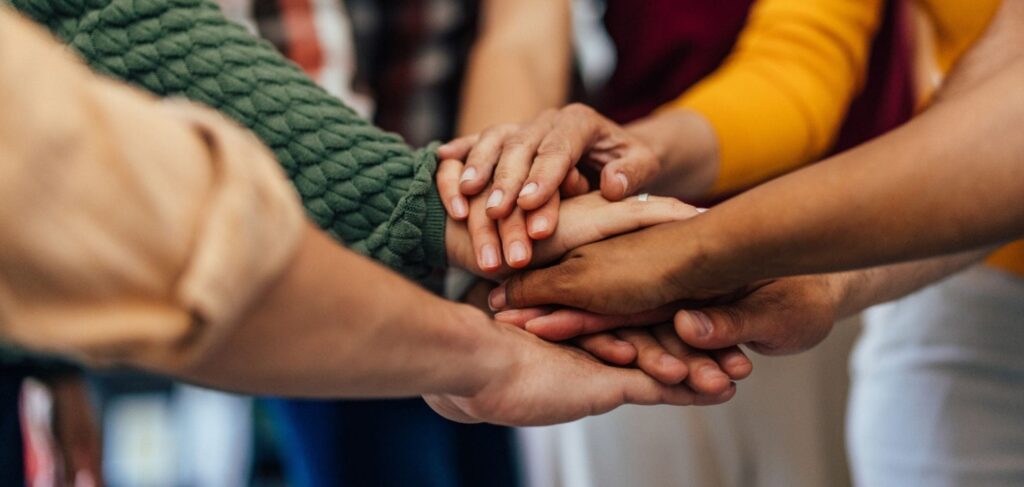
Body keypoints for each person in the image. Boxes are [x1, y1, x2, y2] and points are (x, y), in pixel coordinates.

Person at [0, 5, 749, 433]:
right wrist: (453, 219)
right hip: (327, 252)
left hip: (409, 240)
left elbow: (521, 32)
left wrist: (500, 218)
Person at [441, 0, 912, 484]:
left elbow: (802, 64)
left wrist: (687, 236)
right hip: (611, 255)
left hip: (839, 240)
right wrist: (506, 207)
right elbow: (523, 37)